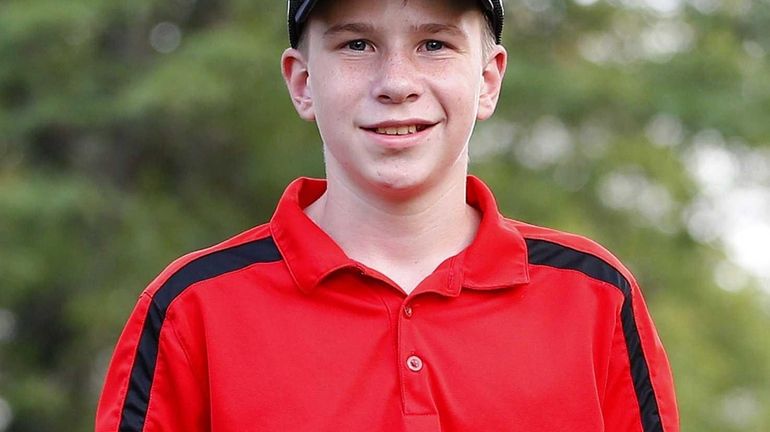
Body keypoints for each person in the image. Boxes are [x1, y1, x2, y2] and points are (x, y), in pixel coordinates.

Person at [96, 0, 679, 430]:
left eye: (435, 44)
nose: (397, 83)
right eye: (357, 44)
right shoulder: (190, 309)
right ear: (302, 82)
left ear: (488, 79)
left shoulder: (594, 296)